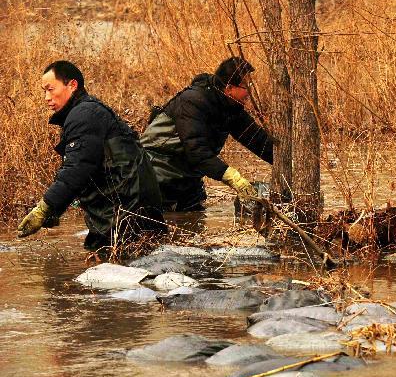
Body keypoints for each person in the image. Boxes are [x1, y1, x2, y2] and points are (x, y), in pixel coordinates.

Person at [18, 61, 165, 251]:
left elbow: (77, 169)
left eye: (50, 89)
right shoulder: (87, 111)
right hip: (133, 214)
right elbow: (85, 170)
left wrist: (44, 208)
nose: (46, 97)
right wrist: (57, 208)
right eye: (44, 91)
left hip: (125, 217)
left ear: (72, 85)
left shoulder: (84, 115)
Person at [140, 57, 274, 211]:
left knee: (192, 220)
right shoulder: (192, 102)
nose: (250, 91)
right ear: (229, 88)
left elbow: (258, 141)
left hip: (187, 181)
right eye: (246, 86)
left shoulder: (231, 107)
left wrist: (290, 163)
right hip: (155, 177)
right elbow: (197, 152)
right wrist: (233, 177)